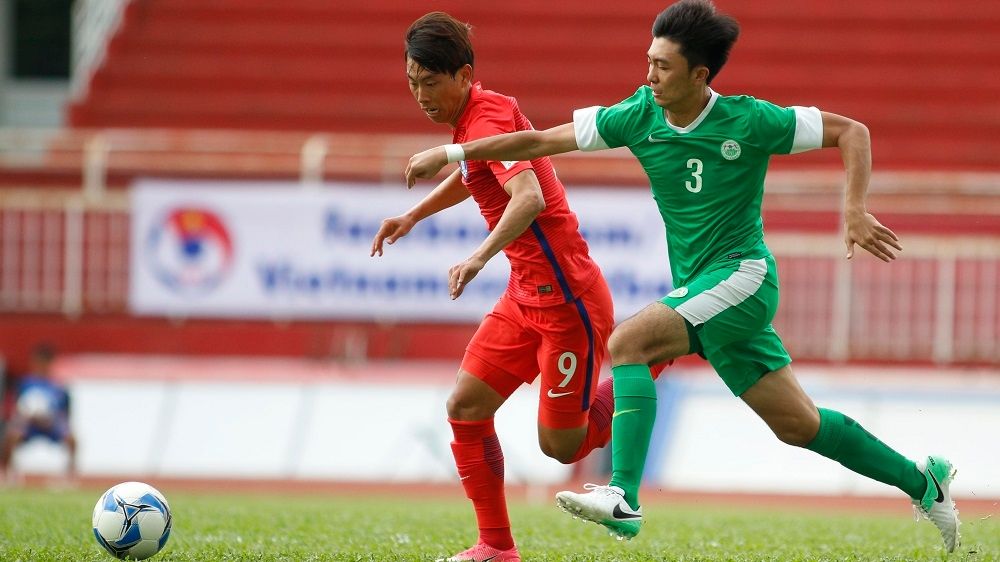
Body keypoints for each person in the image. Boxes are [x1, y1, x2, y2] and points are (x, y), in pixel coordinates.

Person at [403, 0, 960, 553]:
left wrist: (855, 209)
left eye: (662, 66)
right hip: (706, 291)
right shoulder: (639, 113)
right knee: (799, 425)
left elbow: (852, 131)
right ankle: (923, 481)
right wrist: (454, 151)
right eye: (648, 60)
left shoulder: (750, 119)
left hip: (741, 277)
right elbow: (538, 141)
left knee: (629, 341)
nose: (649, 75)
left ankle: (623, 495)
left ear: (700, 74)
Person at [372, 12, 668, 562]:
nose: (420, 95)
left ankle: (653, 354)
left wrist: (478, 256)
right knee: (465, 405)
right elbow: (473, 178)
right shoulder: (475, 121)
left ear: (462, 75)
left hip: (567, 304)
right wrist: (411, 217)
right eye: (412, 82)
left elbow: (527, 197)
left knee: (563, 447)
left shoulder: (485, 120)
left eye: (430, 82)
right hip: (523, 297)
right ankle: (496, 548)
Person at [1, 343, 77, 483]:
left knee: (72, 439)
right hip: (29, 423)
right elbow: (15, 406)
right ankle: (8, 475)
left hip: (51, 423)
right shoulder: (25, 383)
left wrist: (59, 422)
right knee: (11, 436)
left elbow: (65, 410)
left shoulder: (58, 385)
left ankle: (68, 477)